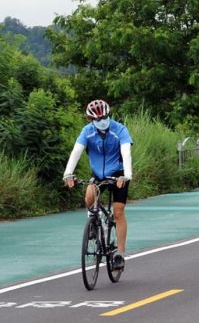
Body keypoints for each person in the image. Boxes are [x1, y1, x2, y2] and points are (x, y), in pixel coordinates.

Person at [63, 99, 133, 270]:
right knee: (88, 198)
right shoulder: (87, 132)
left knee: (118, 212)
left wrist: (126, 175)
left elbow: (126, 152)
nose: (103, 121)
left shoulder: (120, 130)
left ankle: (119, 254)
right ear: (91, 120)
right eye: (98, 118)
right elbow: (76, 152)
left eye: (105, 117)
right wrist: (68, 174)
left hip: (118, 174)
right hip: (98, 175)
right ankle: (95, 222)